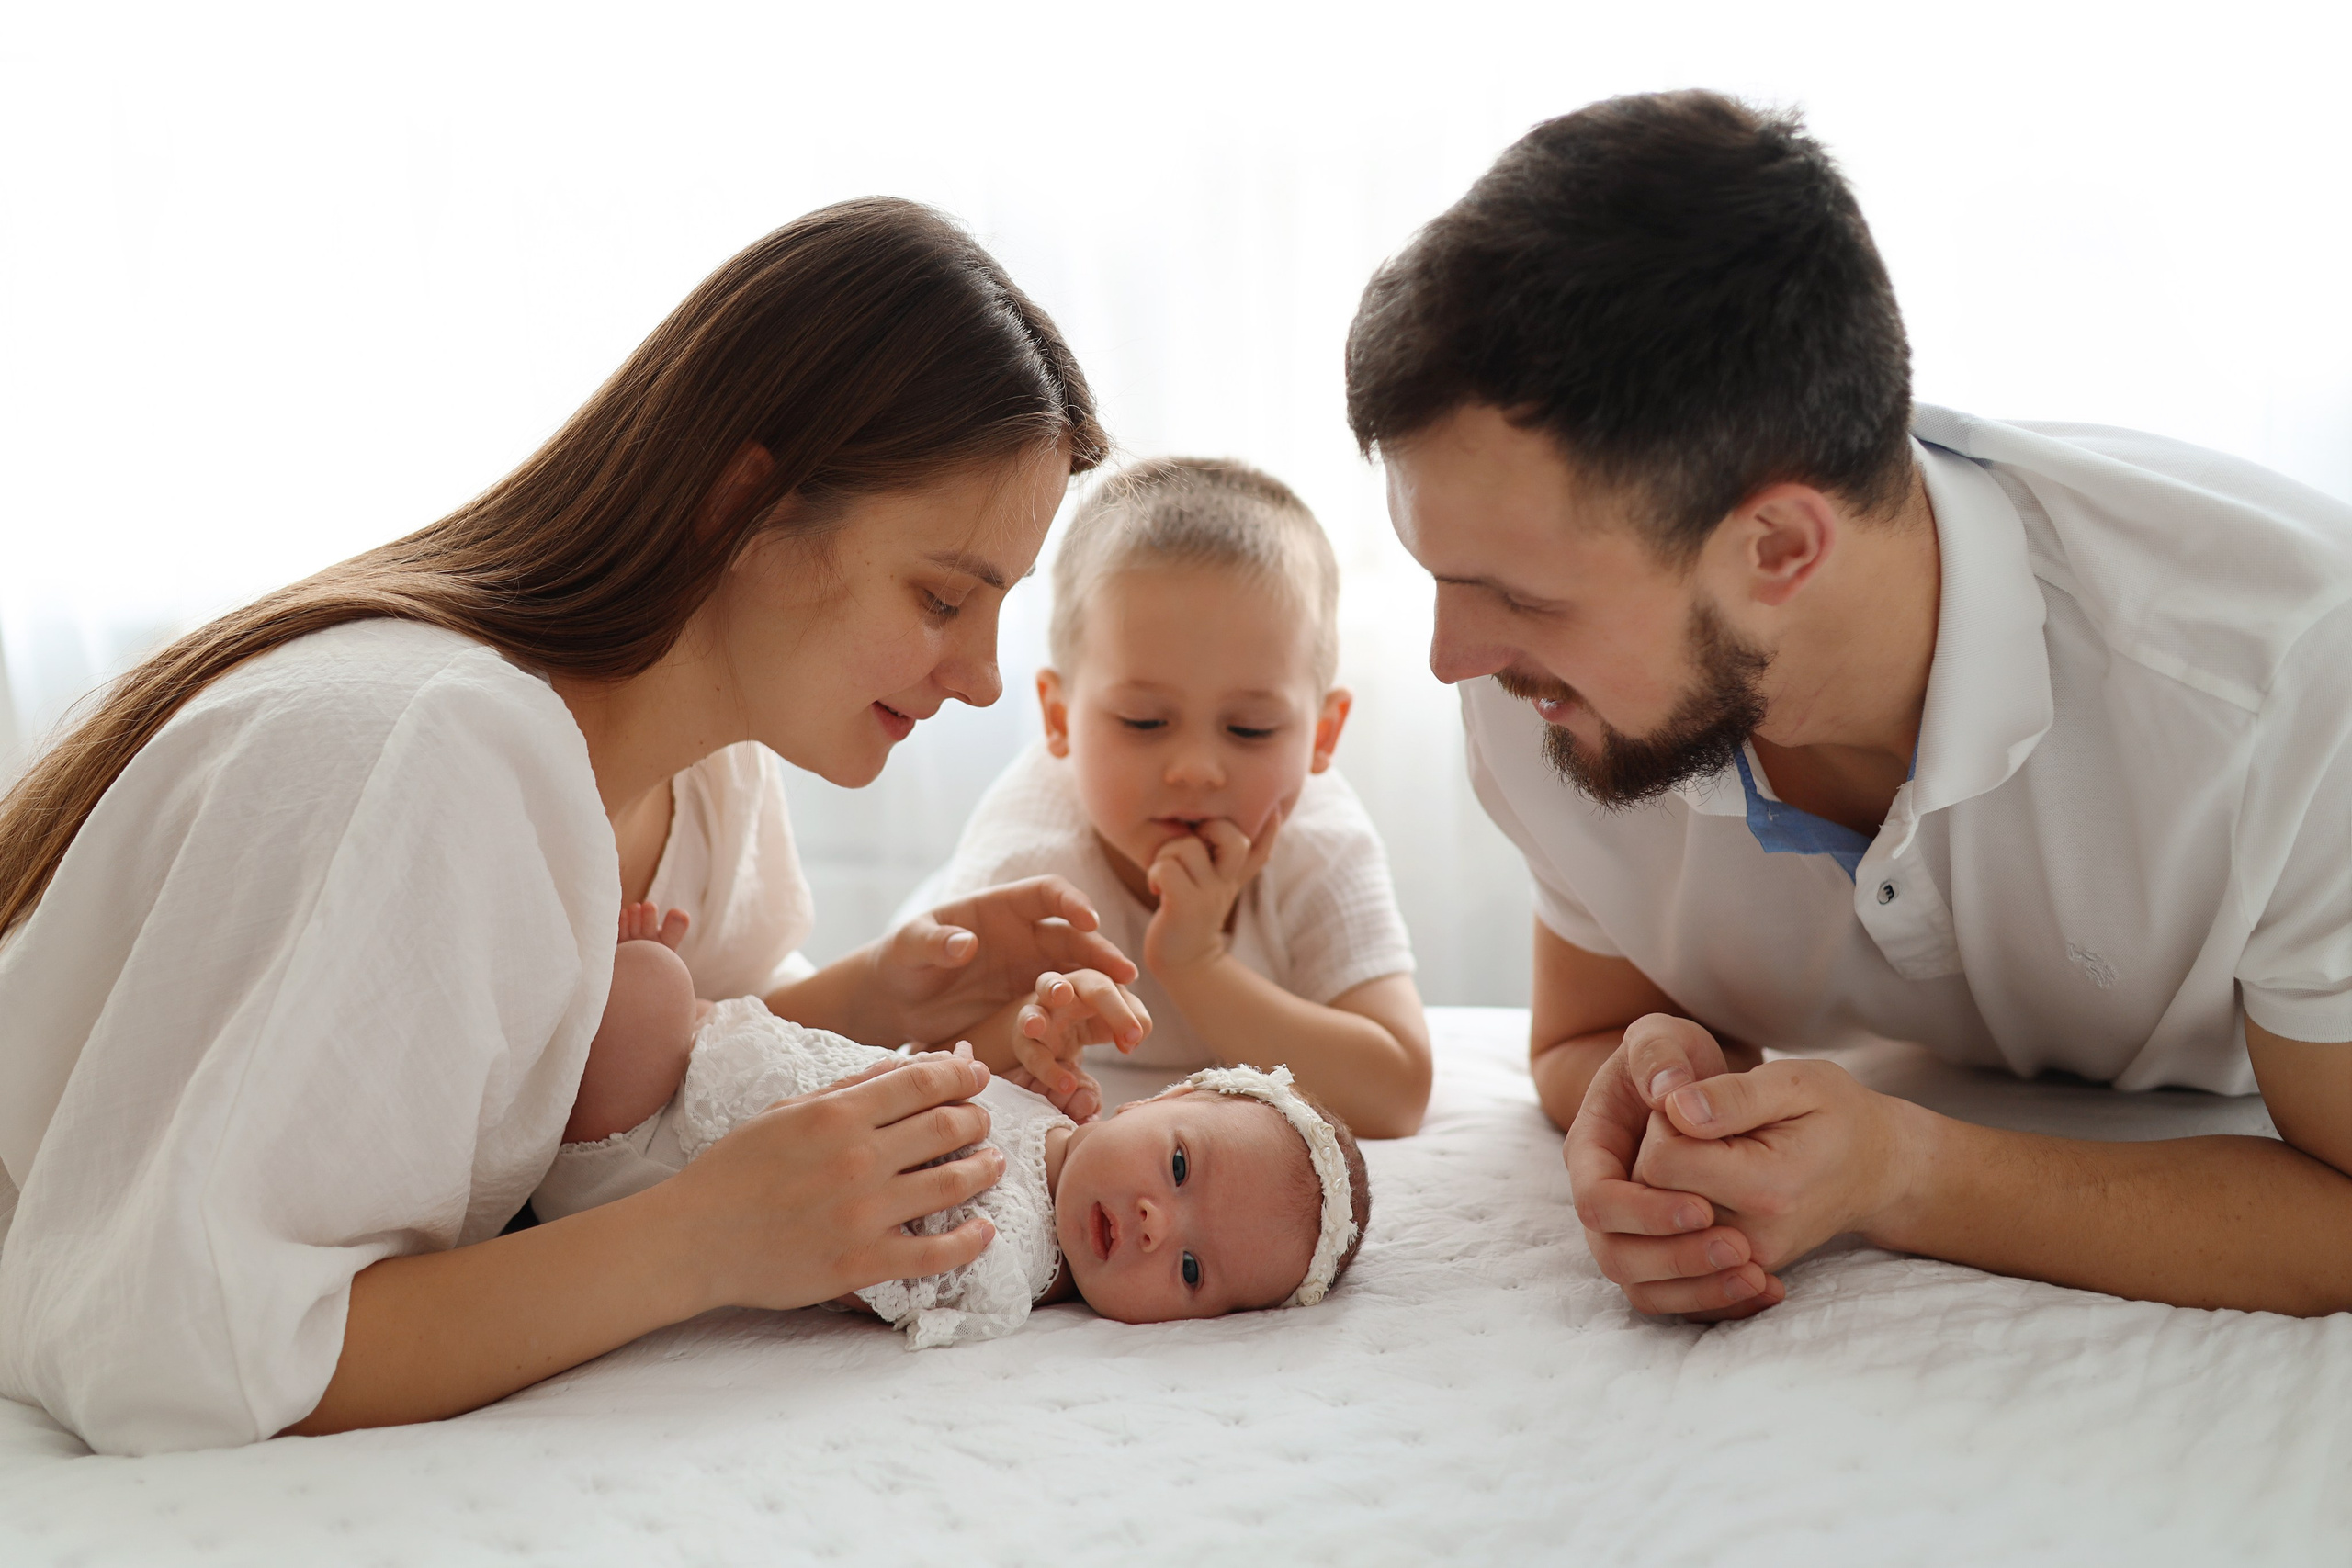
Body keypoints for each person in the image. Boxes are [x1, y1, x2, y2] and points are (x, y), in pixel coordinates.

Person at [0, 198, 1140, 1456]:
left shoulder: (706, 778)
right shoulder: (434, 756)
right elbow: (176, 1351)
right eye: (940, 597)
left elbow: (633, 1080)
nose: (981, 678)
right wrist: (699, 1242)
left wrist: (890, 1001)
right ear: (749, 507)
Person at [1345, 91, 2352, 1318]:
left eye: (1519, 596)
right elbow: (1581, 1036)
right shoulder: (1550, 696)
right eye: (1442, 579)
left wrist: (1905, 1171)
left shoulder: (2287, 680)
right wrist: (1667, 1086)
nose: (1452, 657)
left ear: (1778, 545)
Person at [540, 916, 1369, 1347]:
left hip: (651, 1160)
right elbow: (940, 1072)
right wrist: (1029, 1038)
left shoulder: (1002, 1263)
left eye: (1191, 1269)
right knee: (655, 985)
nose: (1158, 1223)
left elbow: (855, 1259)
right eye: (1180, 1165)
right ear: (1153, 1101)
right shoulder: (1053, 1118)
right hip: (711, 1063)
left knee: (644, 988)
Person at [924, 458, 1432, 1137]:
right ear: (1058, 717)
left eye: (1249, 729)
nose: (1195, 771)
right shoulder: (1030, 863)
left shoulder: (1320, 842)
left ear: (1323, 734)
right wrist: (1023, 1031)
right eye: (1144, 721)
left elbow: (1396, 1093)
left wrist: (1197, 964)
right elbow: (924, 1052)